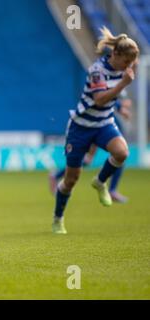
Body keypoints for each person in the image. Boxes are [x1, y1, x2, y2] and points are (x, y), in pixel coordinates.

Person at [52, 27, 139, 234]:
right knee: (71, 179)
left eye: (131, 63)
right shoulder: (97, 70)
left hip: (103, 124)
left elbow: (113, 97)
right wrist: (123, 85)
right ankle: (58, 218)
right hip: (80, 127)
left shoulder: (122, 70)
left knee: (122, 152)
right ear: (115, 54)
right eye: (126, 61)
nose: (129, 66)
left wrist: (121, 106)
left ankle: (100, 182)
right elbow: (100, 99)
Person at [48, 97, 133, 203]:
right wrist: (121, 106)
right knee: (119, 155)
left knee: (98, 159)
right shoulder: (115, 84)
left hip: (103, 121)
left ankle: (56, 175)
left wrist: (121, 106)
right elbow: (105, 96)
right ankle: (111, 189)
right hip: (99, 124)